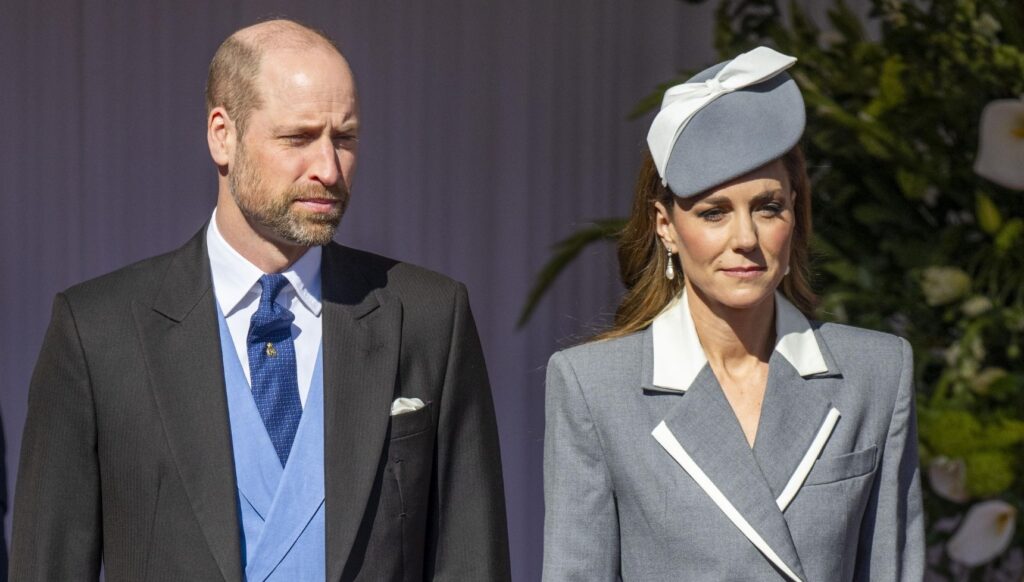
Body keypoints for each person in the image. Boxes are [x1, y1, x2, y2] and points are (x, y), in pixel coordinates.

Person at [10, 19, 510, 581]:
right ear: (222, 135)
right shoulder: (98, 333)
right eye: (298, 138)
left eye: (343, 138)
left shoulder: (428, 316)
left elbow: (472, 560)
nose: (329, 168)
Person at [542, 47, 923, 581]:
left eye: (768, 208)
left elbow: (892, 568)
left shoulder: (876, 372)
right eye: (713, 212)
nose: (745, 239)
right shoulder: (594, 386)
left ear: (796, 211)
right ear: (665, 225)